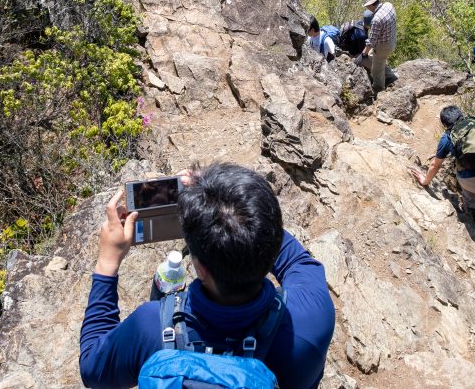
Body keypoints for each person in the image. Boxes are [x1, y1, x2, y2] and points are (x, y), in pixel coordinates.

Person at [79, 163, 335, 389]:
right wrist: (232, 204)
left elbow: (92, 368)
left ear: (199, 269)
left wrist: (107, 262)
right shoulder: (310, 320)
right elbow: (295, 259)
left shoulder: (150, 328)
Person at [412, 105, 475, 237]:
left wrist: (425, 181)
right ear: (462, 114)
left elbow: (435, 165)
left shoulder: (447, 137)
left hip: (470, 181)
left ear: (444, 123)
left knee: (468, 189)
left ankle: (471, 211)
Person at [359, 0, 397, 92]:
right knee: (379, 61)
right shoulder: (389, 5)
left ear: (371, 4)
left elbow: (371, 42)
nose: (367, 8)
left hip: (383, 46)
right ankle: (391, 77)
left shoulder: (376, 20)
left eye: (367, 6)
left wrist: (363, 55)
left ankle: (379, 89)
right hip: (392, 40)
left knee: (376, 70)